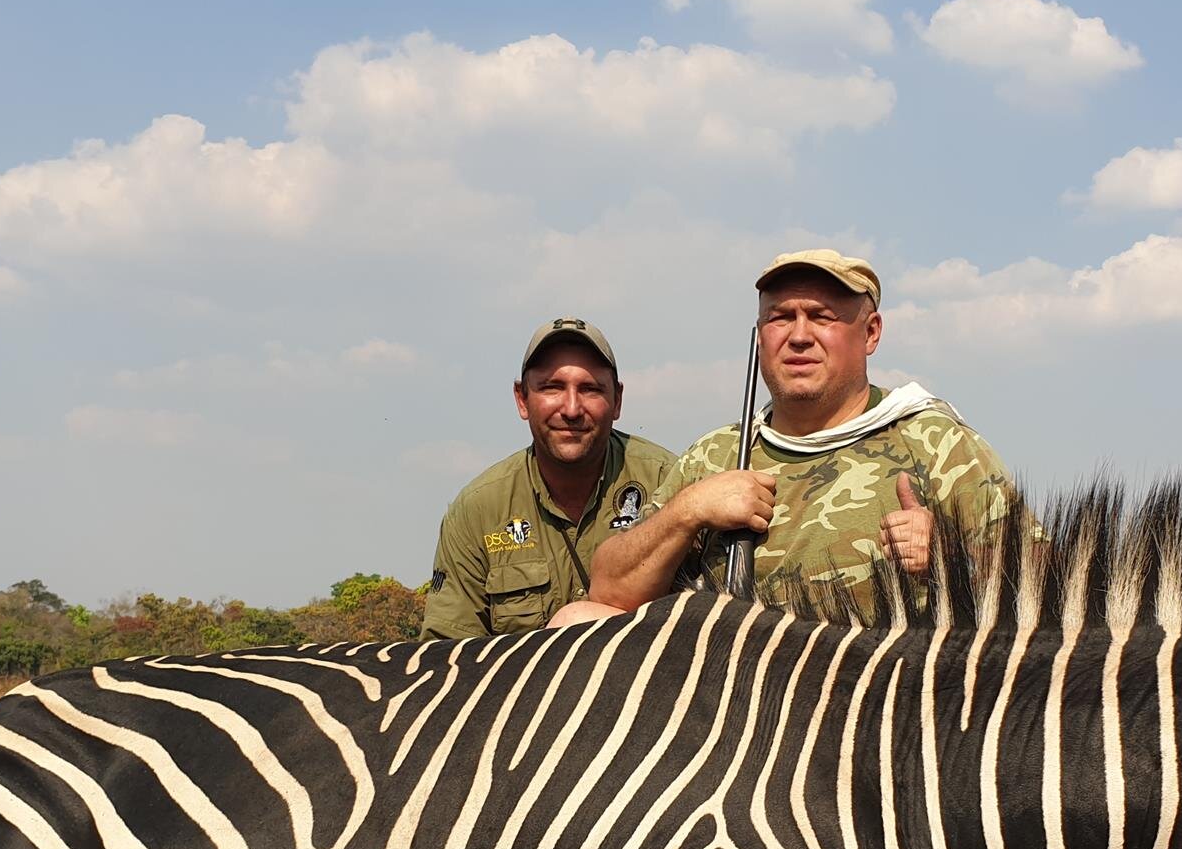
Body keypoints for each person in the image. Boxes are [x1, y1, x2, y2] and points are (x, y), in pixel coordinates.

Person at [587, 249, 1026, 617]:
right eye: (781, 318)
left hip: (876, 705)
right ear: (759, 336)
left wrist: (952, 558)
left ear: (870, 333)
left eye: (821, 317)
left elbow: (1047, 585)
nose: (799, 336)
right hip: (735, 699)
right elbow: (609, 590)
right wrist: (688, 511)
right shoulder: (716, 454)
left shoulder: (936, 442)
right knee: (578, 618)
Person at [418, 319, 675, 640]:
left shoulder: (669, 482)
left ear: (617, 401)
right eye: (552, 387)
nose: (571, 408)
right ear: (522, 399)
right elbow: (447, 653)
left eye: (590, 389)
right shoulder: (477, 511)